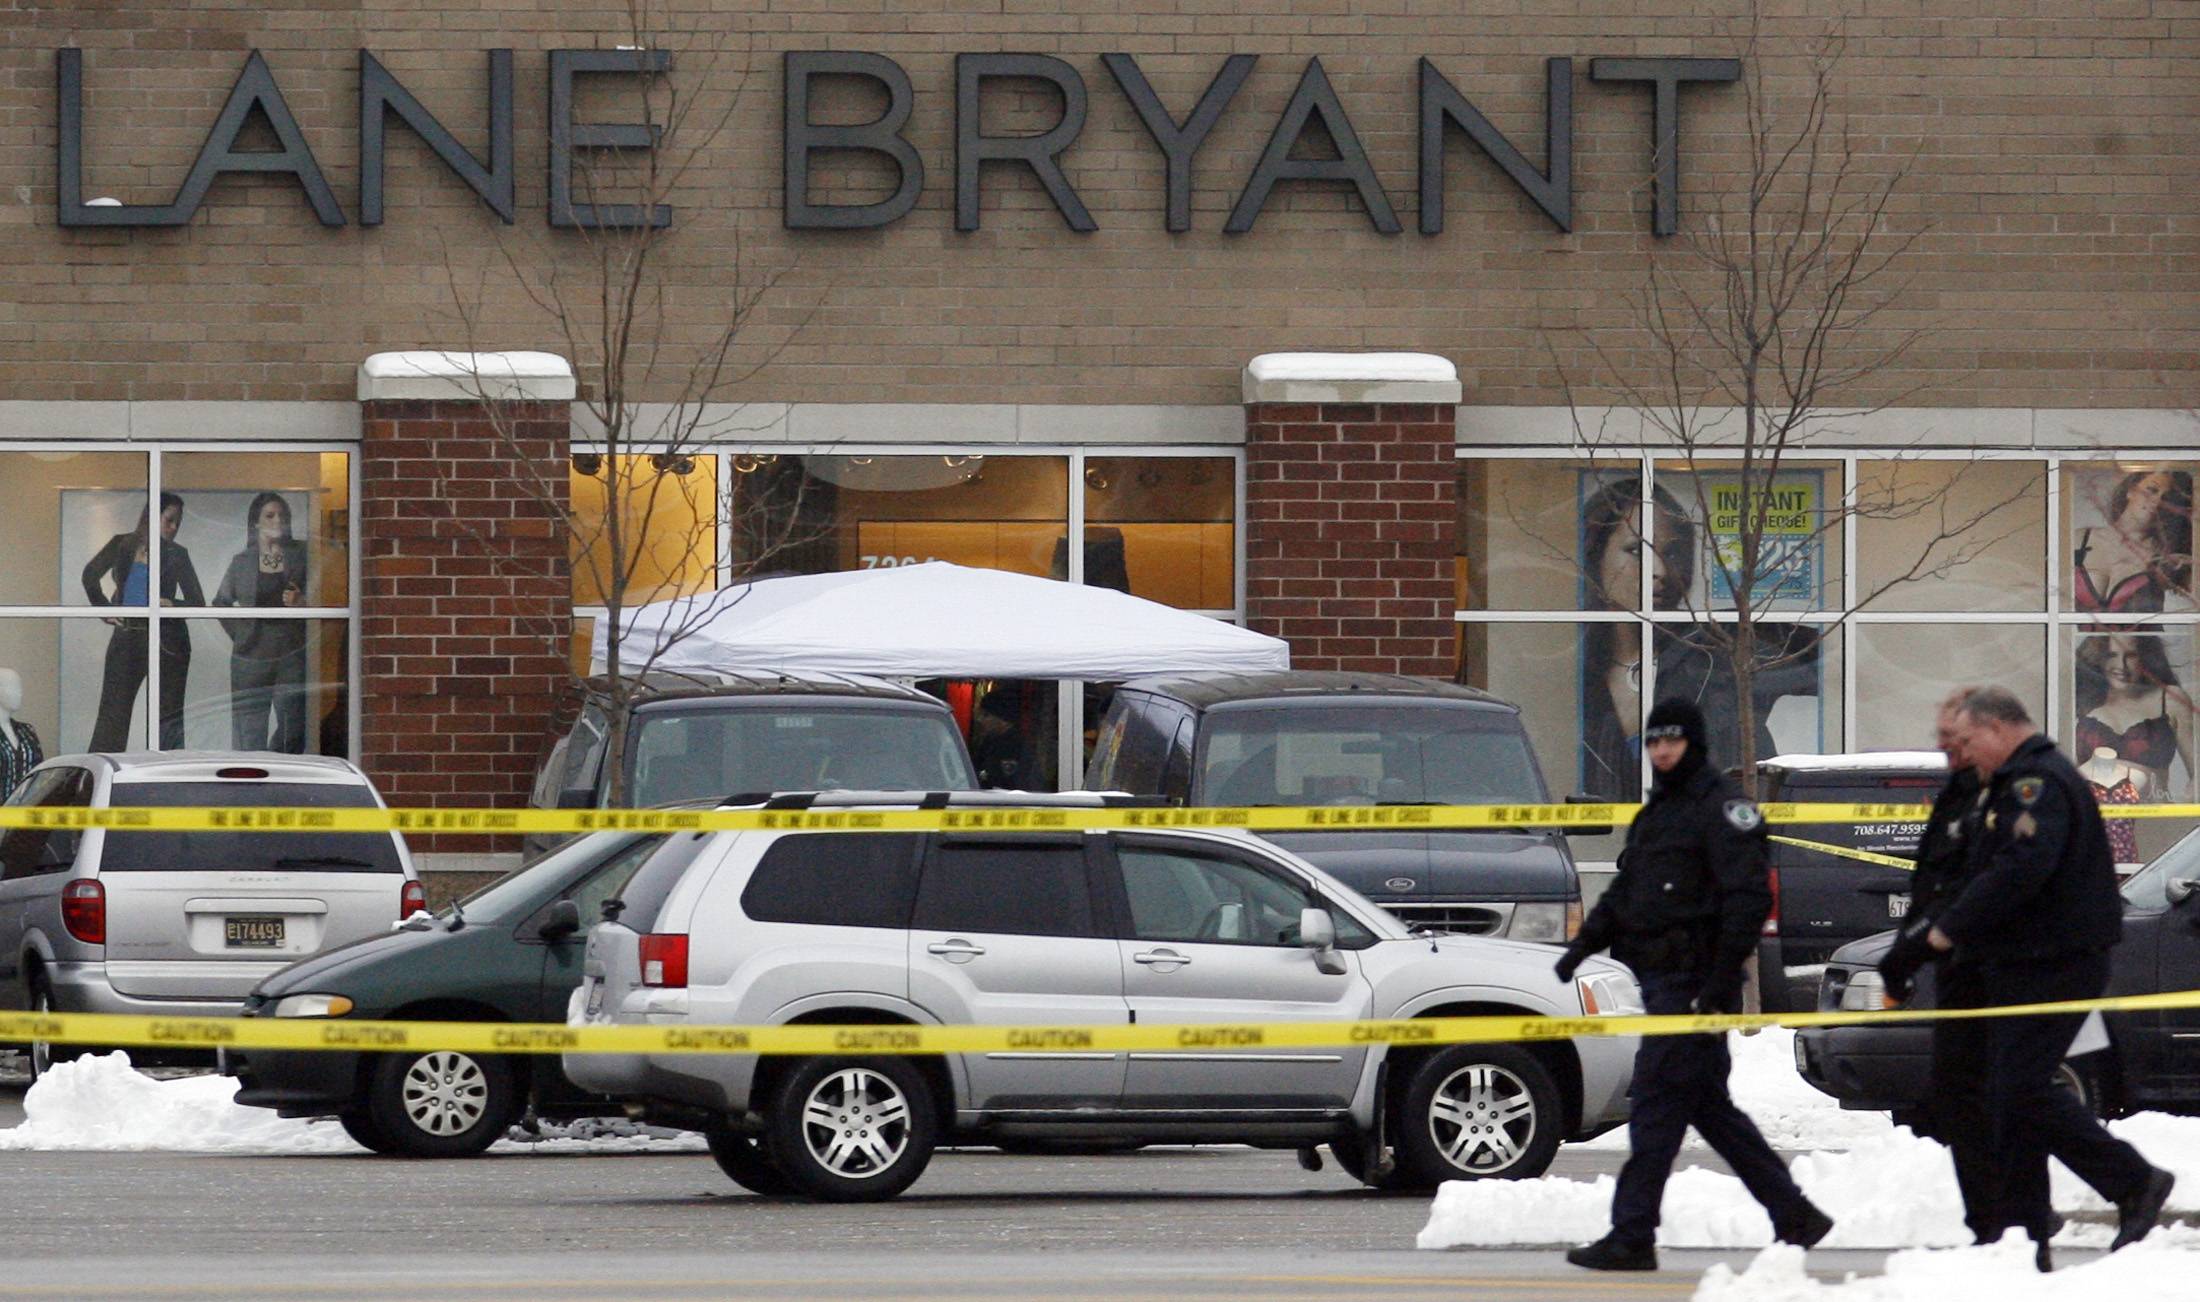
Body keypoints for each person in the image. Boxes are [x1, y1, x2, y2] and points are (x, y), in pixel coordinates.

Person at [1879, 686, 2173, 1271]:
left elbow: (2020, 869)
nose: (1959, 753)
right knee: (2006, 1096)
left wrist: (1944, 932)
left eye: (1964, 741)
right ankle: (2023, 1233)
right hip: (2020, 962)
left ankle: (2134, 1181)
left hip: (2054, 961)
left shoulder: (2036, 782)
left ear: (1995, 729)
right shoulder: (2009, 783)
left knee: (2019, 1089)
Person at [1553, 697, 1833, 1271]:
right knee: (1709, 1109)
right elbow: (1628, 893)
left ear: (1695, 743)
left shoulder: (1723, 809)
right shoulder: (1658, 813)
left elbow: (1748, 899)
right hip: (1663, 982)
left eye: (1672, 741)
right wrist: (1581, 948)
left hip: (1696, 986)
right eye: (1654, 741)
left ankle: (1632, 1234)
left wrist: (1721, 979)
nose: (1661, 750)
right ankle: (1795, 1214)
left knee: (1656, 1103)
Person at [1577, 477, 1821, 798]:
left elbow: (1825, 662)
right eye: (1637, 550)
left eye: (1673, 553)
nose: (1661, 571)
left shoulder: (1711, 656)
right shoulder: (1575, 671)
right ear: (1596, 556)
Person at [82, 492, 203, 750]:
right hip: (128, 636)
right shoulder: (122, 544)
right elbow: (89, 576)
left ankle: (169, 782)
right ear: (151, 516)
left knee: (168, 719)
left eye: (177, 523)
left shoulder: (177, 553)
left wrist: (171, 604)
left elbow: (198, 601)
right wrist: (104, 609)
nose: (173, 528)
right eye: (169, 520)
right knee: (112, 717)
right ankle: (103, 778)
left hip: (168, 641)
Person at [211, 492, 310, 753]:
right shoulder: (242, 561)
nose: (278, 520)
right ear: (256, 523)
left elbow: (330, 593)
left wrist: (303, 601)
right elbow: (220, 603)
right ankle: (250, 780)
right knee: (249, 727)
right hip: (252, 651)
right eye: (270, 515)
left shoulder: (302, 554)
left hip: (291, 649)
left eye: (282, 515)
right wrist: (241, 632)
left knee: (294, 725)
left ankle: (281, 772)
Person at [2072, 632, 2191, 801]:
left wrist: (2186, 814)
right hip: (2095, 818)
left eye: (2131, 656)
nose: (2122, 665)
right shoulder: (2084, 702)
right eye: (2112, 655)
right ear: (2099, 659)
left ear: (2144, 658)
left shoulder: (2170, 699)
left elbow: (2198, 775)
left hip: (2155, 817)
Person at [2073, 469, 2192, 614]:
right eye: (2152, 490)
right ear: (2130, 491)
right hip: (2065, 636)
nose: (2157, 501)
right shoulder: (2079, 539)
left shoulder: (2166, 555)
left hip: (2147, 636)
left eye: (2166, 498)